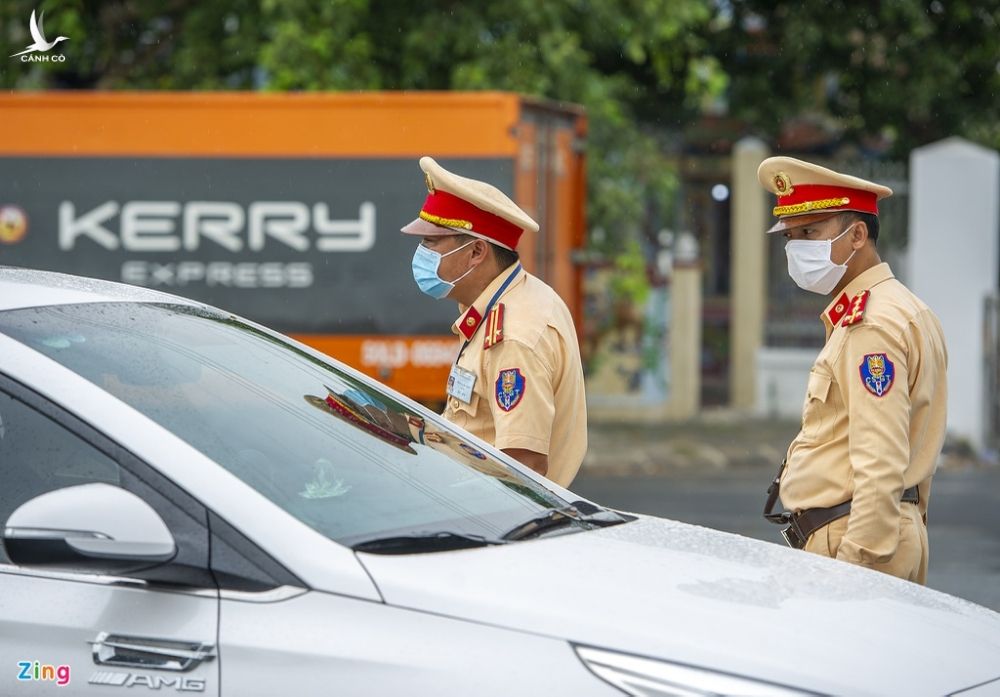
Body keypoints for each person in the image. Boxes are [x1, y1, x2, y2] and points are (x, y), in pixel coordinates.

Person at [758, 156, 947, 584]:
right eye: (791, 236)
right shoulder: (904, 309)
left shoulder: (872, 324)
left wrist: (855, 565)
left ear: (857, 234)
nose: (797, 247)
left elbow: (882, 460)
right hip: (886, 532)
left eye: (811, 232)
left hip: (858, 539)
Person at [400, 156, 587, 488]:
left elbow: (522, 467)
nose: (422, 253)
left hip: (490, 524)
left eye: (431, 242)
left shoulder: (512, 336)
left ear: (476, 252)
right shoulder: (505, 303)